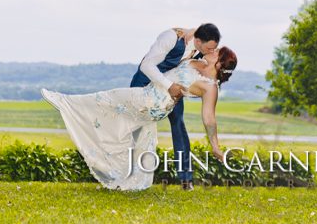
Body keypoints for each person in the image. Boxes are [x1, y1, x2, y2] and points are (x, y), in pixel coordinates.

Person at [41, 46, 237, 191]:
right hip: (150, 96)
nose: (213, 50)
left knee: (106, 98)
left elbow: (209, 119)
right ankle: (125, 178)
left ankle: (64, 101)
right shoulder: (199, 61)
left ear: (218, 63)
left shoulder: (210, 87)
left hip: (151, 101)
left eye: (217, 52)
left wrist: (215, 146)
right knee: (133, 135)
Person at [130, 24, 221, 190]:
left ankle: (186, 180)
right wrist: (168, 85)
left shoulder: (203, 47)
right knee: (135, 128)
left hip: (172, 91)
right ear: (199, 41)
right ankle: (126, 172)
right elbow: (147, 65)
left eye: (213, 49)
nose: (210, 53)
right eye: (208, 48)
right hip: (145, 84)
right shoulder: (171, 38)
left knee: (178, 125)